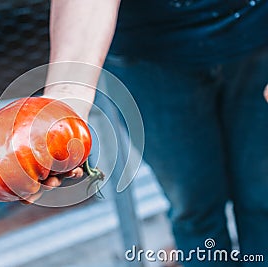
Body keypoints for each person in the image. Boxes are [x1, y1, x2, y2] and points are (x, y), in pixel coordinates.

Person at [36, 0, 268, 266]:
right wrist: (65, 102)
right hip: (148, 54)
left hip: (259, 36)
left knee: (263, 196)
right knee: (193, 207)